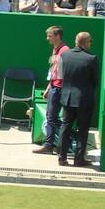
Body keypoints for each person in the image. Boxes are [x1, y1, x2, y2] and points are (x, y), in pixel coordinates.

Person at [56, 32, 99, 167]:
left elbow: (61, 76)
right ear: (86, 42)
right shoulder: (92, 59)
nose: (91, 43)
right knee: (83, 129)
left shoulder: (64, 55)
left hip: (67, 98)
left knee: (65, 127)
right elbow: (95, 81)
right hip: (84, 99)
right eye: (90, 41)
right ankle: (79, 159)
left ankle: (62, 158)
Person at [34, 25, 71, 156]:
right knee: (52, 118)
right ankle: (56, 145)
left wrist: (56, 88)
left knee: (52, 119)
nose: (47, 38)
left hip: (60, 89)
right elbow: (53, 72)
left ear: (57, 36)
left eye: (50, 36)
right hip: (54, 87)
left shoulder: (65, 50)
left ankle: (54, 145)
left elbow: (65, 72)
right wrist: (48, 88)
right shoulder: (55, 49)